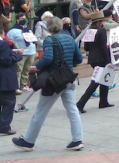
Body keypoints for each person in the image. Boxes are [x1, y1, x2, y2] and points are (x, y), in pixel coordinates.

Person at [12, 17, 83, 152]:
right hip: (68, 78)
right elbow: (79, 58)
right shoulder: (69, 39)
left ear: (48, 28)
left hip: (54, 81)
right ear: (61, 26)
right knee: (72, 109)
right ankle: (77, 140)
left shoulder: (49, 40)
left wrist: (36, 66)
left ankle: (28, 141)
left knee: (40, 111)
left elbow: (48, 58)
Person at [76, 12, 114, 113]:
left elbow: (87, 47)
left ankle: (103, 101)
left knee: (103, 79)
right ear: (100, 21)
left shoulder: (89, 31)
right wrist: (108, 61)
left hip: (92, 58)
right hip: (101, 58)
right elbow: (103, 47)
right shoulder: (101, 31)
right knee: (96, 82)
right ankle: (80, 103)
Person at [0, 23, 23, 135]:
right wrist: (18, 55)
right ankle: (4, 126)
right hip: (4, 79)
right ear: (2, 32)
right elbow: (6, 60)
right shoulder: (2, 44)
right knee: (9, 102)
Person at [7, 13, 35, 94]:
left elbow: (33, 41)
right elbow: (10, 42)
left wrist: (35, 51)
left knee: (26, 71)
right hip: (21, 54)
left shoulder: (28, 29)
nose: (24, 20)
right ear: (17, 20)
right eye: (21, 18)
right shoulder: (13, 31)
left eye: (24, 18)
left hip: (30, 53)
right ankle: (16, 87)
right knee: (18, 71)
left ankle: (24, 85)